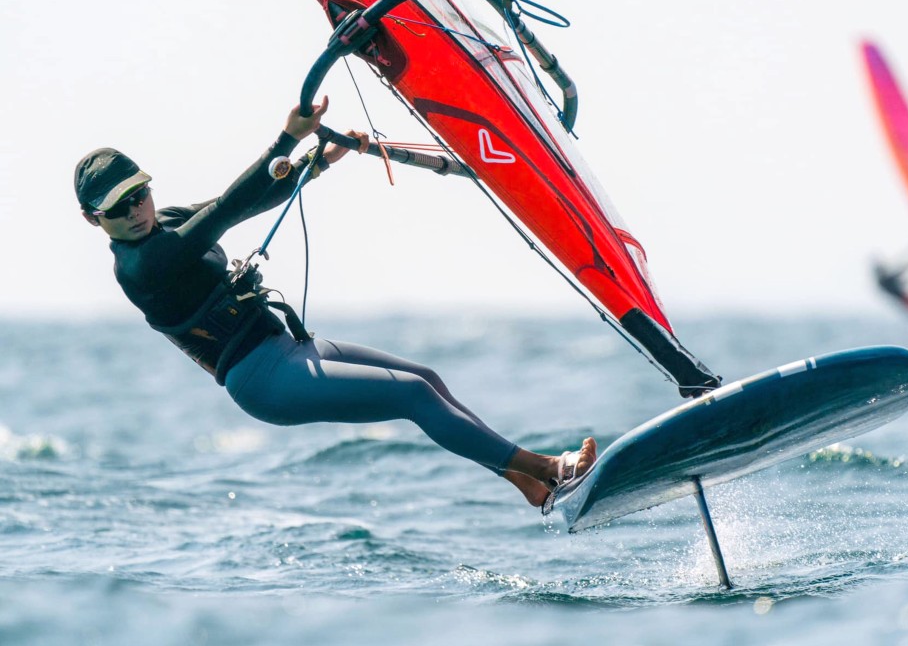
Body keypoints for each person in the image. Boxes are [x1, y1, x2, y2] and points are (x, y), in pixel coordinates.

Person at [75, 96, 596, 509]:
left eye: (137, 194)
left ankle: (528, 485)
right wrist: (286, 137)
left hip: (288, 347)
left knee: (427, 378)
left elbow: (251, 198)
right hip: (265, 380)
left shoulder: (162, 218)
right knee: (412, 396)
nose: (135, 211)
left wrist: (316, 162)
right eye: (117, 209)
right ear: (94, 220)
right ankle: (550, 469)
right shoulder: (141, 265)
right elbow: (226, 212)